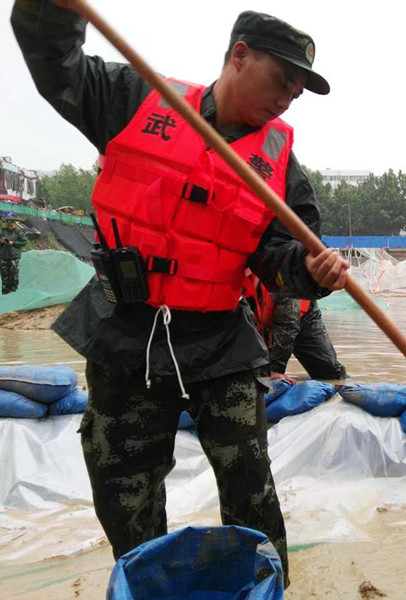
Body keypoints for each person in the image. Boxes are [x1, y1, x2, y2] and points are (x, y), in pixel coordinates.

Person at [12, 2, 350, 585]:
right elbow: (56, 66)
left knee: (249, 475)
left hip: (219, 336)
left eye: (298, 90)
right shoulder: (137, 100)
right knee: (125, 485)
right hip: (126, 331)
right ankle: (148, 586)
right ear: (239, 56)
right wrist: (51, 11)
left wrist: (310, 272)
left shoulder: (279, 167)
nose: (288, 97)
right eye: (282, 79)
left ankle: (264, 588)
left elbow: (281, 260)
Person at [249, 278, 347, 382]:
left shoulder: (280, 275)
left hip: (303, 320)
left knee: (330, 373)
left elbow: (288, 326)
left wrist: (275, 370)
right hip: (260, 325)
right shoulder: (239, 278)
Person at [0, 218, 28, 294]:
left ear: (15, 224)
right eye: (8, 225)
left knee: (13, 276)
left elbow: (24, 242)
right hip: (3, 256)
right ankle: (5, 292)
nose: (10, 227)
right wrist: (1, 241)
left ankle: (13, 291)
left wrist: (14, 243)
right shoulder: (2, 231)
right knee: (4, 275)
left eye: (11, 225)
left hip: (14, 256)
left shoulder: (18, 232)